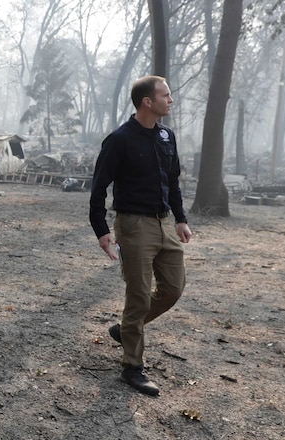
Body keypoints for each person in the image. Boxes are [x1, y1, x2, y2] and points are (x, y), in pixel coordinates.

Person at [89, 75, 192, 397]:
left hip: (164, 224)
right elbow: (98, 188)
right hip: (133, 226)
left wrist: (180, 219)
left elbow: (172, 181)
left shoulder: (166, 136)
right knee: (138, 294)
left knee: (173, 289)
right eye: (166, 95)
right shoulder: (119, 139)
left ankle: (125, 329)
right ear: (147, 102)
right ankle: (132, 366)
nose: (171, 100)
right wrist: (102, 231)